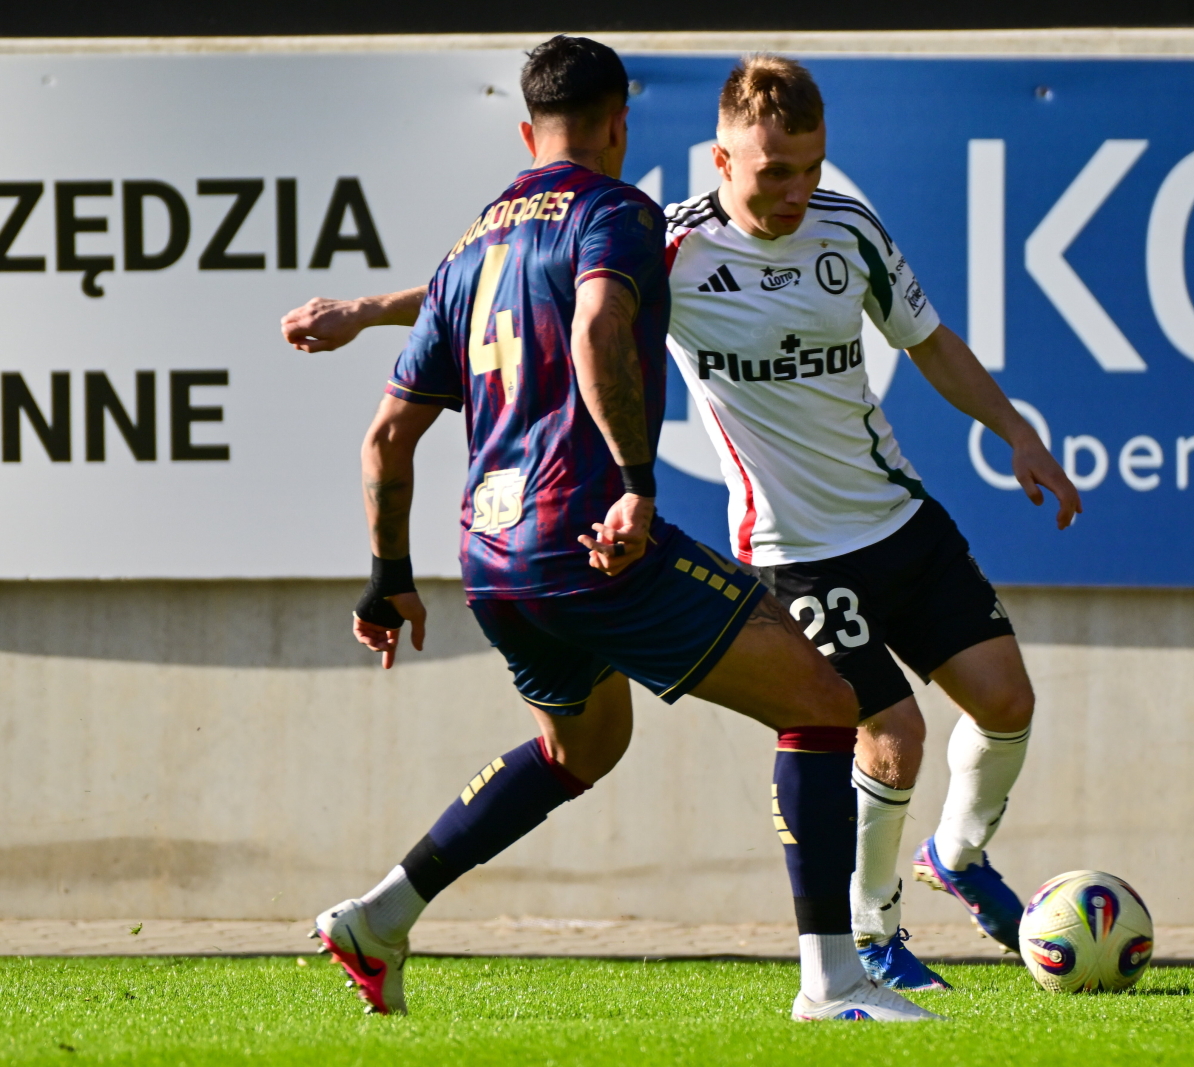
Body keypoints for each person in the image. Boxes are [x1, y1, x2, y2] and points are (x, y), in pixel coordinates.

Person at [284, 55, 1080, 993]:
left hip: (861, 518)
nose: (794, 190)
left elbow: (929, 341)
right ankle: (857, 954)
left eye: (810, 168)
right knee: (862, 720)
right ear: (709, 155)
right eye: (771, 170)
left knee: (999, 703)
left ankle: (383, 914)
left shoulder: (842, 230)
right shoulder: (656, 234)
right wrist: (370, 314)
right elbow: (556, 307)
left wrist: (1017, 430)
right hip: (744, 543)